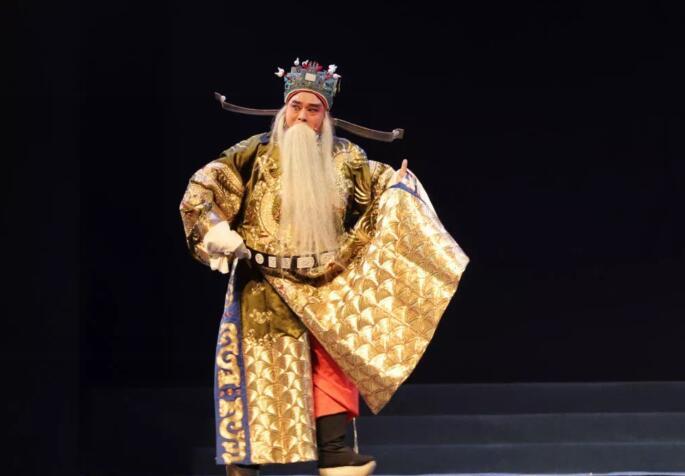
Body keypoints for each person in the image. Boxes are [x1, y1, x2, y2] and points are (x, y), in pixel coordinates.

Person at [180, 59, 469, 476]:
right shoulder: (251, 153)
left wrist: (400, 187)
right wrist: (214, 230)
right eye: (296, 107)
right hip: (263, 284)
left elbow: (381, 188)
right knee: (261, 370)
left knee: (333, 365)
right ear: (284, 108)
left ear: (325, 115)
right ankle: (246, 462)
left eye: (312, 109)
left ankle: (334, 452)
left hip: (327, 282)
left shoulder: (347, 158)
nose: (302, 116)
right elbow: (202, 189)